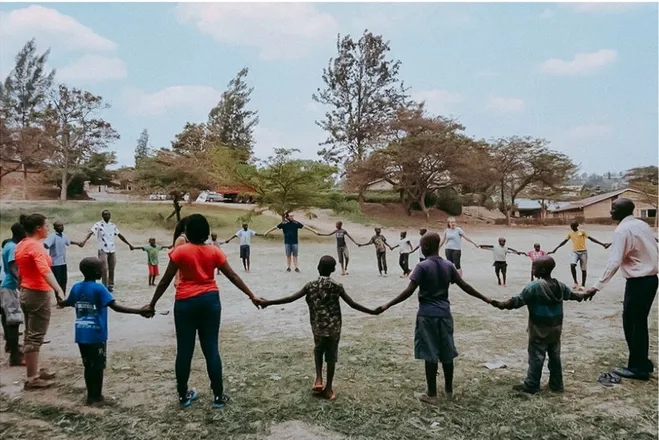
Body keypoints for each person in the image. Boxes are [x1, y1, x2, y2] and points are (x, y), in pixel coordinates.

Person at [143, 214, 264, 408]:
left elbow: (165, 280)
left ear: (187, 233)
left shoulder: (180, 251)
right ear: (206, 233)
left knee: (184, 350)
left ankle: (183, 395)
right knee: (211, 348)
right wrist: (252, 296)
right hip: (210, 301)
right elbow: (232, 275)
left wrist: (152, 304)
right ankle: (218, 395)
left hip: (184, 302)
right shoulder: (214, 252)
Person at [374, 232, 492, 405]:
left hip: (427, 314)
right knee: (447, 352)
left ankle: (432, 393)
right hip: (444, 313)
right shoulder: (449, 265)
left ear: (426, 246)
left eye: (421, 245)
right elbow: (465, 286)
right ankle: (449, 391)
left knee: (430, 353)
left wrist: (387, 305)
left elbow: (408, 291)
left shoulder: (422, 267)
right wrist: (486, 298)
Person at [260, 255, 377, 400]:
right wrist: (372, 311)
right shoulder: (337, 287)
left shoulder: (310, 286)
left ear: (318, 268)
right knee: (331, 357)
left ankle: (318, 379)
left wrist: (269, 302)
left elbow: (290, 298)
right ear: (334, 269)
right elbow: (353, 304)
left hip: (318, 327)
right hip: (334, 328)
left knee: (318, 350)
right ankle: (328, 388)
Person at [58, 257, 149, 405]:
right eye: (101, 269)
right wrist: (139, 311)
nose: (103, 271)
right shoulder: (99, 288)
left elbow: (69, 302)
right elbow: (115, 306)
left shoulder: (76, 287)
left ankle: (90, 396)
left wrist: (60, 301)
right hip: (96, 334)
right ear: (95, 272)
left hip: (81, 334)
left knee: (88, 365)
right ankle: (97, 397)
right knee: (98, 366)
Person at [584, 198, 658, 381]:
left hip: (639, 282)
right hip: (650, 280)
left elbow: (614, 261)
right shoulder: (641, 224)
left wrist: (596, 287)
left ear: (624, 210)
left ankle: (638, 368)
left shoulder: (621, 230)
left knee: (634, 323)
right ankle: (641, 361)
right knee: (636, 322)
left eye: (614, 208)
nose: (611, 212)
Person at [491, 256, 588, 394]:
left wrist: (502, 304)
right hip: (555, 330)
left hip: (539, 331)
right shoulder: (560, 286)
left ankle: (531, 386)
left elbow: (518, 300)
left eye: (534, 267)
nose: (532, 269)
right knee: (555, 359)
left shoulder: (534, 287)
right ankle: (556, 385)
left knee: (536, 358)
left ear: (542, 270)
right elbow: (573, 296)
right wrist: (585, 294)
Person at [15, 214, 66, 390]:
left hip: (26, 291)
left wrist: (22, 287)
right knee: (35, 336)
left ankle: (33, 370)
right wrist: (59, 289)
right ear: (38, 228)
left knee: (30, 333)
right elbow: (45, 270)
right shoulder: (35, 247)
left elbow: (21, 272)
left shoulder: (21, 244)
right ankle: (32, 378)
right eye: (46, 226)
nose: (48, 229)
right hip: (37, 293)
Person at [81, 210, 134, 292]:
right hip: (103, 249)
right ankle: (104, 286)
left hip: (112, 249)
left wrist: (129, 244)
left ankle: (111, 285)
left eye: (108, 214)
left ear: (110, 216)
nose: (107, 216)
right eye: (105, 215)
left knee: (112, 268)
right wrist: (84, 241)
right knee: (104, 268)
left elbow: (120, 235)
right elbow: (90, 233)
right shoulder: (98, 225)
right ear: (102, 216)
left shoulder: (112, 225)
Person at [548, 222, 610, 290]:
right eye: (571, 227)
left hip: (583, 252)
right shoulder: (570, 234)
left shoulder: (582, 232)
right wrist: (555, 249)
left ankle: (583, 285)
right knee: (572, 265)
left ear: (577, 226)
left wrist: (602, 244)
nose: (572, 228)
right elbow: (564, 242)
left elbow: (591, 239)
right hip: (575, 252)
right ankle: (575, 281)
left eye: (573, 226)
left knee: (583, 269)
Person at [1, 223, 27, 366]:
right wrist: (21, 282)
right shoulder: (12, 247)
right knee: (14, 321)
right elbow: (12, 267)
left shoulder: (8, 245)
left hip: (7, 285)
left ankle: (13, 349)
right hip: (10, 286)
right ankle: (15, 357)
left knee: (10, 320)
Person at [43, 221, 84, 293]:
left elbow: (68, 241)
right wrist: (46, 246)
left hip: (63, 262)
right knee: (57, 281)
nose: (61, 227)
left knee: (63, 281)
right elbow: (46, 244)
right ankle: (58, 298)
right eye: (59, 226)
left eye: (62, 226)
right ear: (55, 228)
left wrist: (77, 243)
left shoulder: (62, 235)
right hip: (55, 263)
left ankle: (63, 296)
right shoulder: (53, 236)